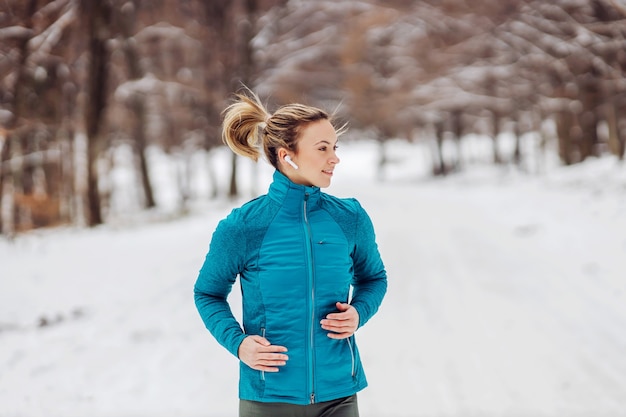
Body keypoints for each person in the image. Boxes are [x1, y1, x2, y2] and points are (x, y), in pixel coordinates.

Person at [194, 88, 387, 417]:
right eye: (322, 148)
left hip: (339, 393)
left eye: (335, 147)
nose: (334, 158)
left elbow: (373, 278)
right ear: (287, 156)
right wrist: (238, 343)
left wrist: (358, 313)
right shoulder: (244, 227)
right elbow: (207, 292)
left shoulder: (349, 218)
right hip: (269, 397)